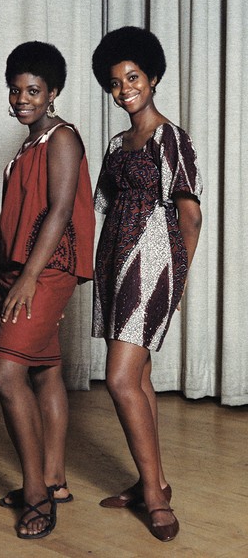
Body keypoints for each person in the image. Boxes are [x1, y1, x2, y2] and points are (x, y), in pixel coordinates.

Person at [90, 26, 203, 542]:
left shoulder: (170, 137)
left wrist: (175, 280)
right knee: (138, 379)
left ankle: (156, 499)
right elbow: (104, 207)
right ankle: (151, 480)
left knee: (118, 379)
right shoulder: (117, 142)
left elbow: (190, 216)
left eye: (133, 78)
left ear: (153, 78)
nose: (124, 89)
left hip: (154, 260)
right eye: (114, 83)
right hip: (117, 258)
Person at [0, 41, 95, 539]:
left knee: (6, 372)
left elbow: (57, 211)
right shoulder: (27, 145)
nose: (22, 99)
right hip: (19, 270)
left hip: (47, 269)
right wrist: (7, 272)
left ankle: (34, 492)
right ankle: (54, 479)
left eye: (33, 90)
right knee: (45, 371)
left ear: (53, 93)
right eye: (16, 90)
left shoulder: (62, 138)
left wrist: (28, 278)